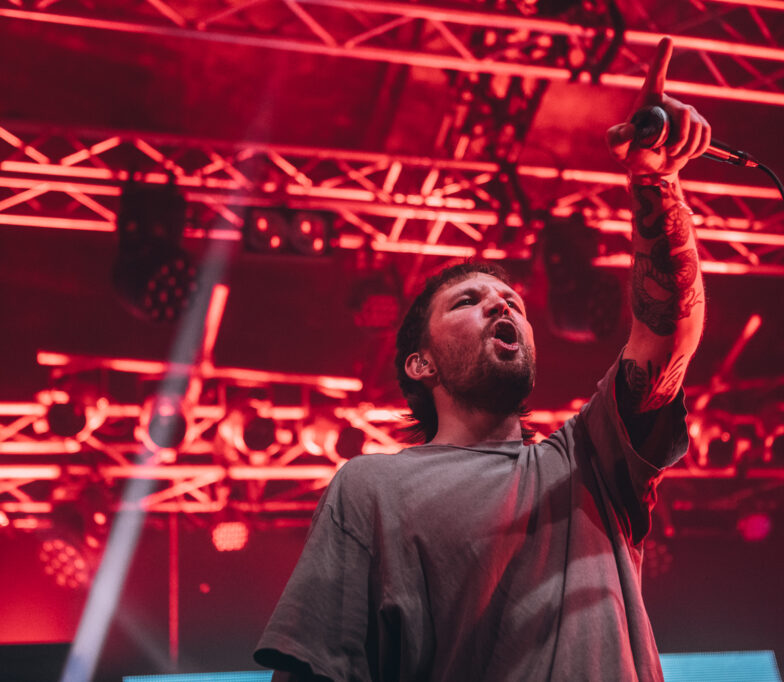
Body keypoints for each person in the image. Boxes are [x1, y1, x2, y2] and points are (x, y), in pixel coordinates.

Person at [254, 37, 710, 681]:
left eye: (513, 303)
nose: (502, 304)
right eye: (468, 301)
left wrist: (655, 179)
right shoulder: (369, 488)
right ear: (421, 365)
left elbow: (667, 335)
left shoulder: (586, 461)